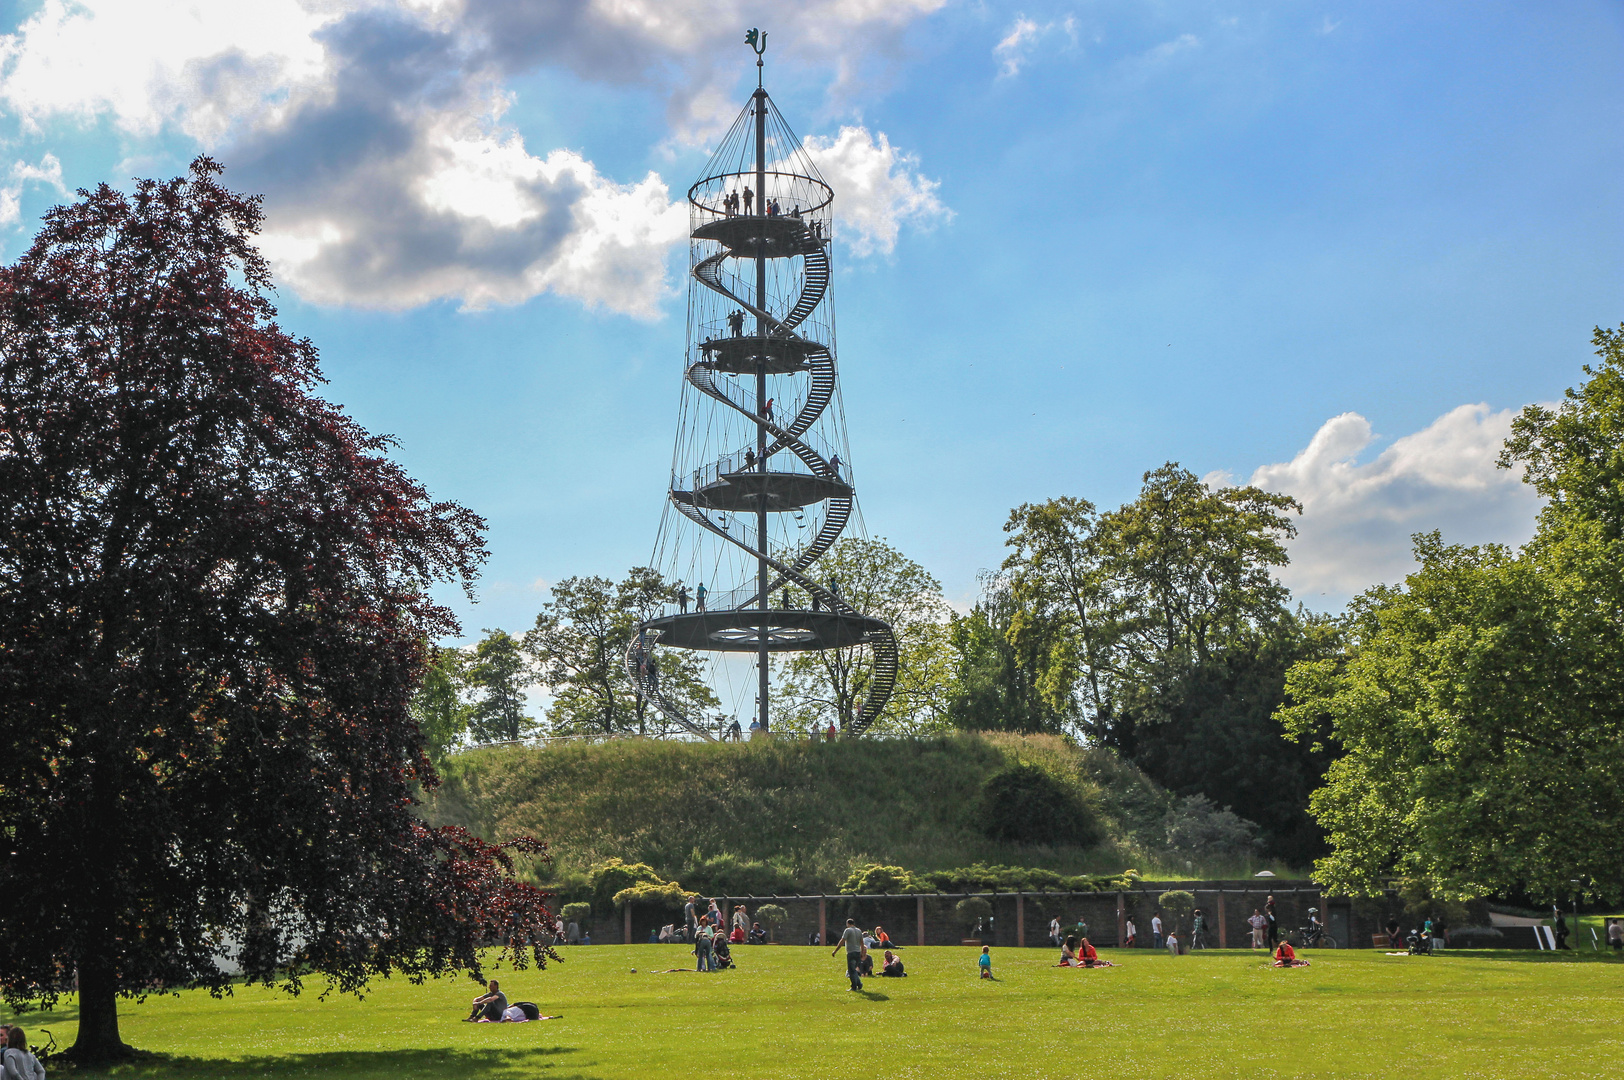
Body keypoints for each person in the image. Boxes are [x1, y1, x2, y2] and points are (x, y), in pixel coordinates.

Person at [833, 917, 865, 990]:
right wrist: (862, 952)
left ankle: (854, 987)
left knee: (851, 970)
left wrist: (835, 951)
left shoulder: (847, 930)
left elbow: (842, 941)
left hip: (851, 952)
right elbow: (862, 943)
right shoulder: (859, 931)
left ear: (848, 923)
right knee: (853, 970)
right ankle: (859, 984)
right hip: (858, 952)